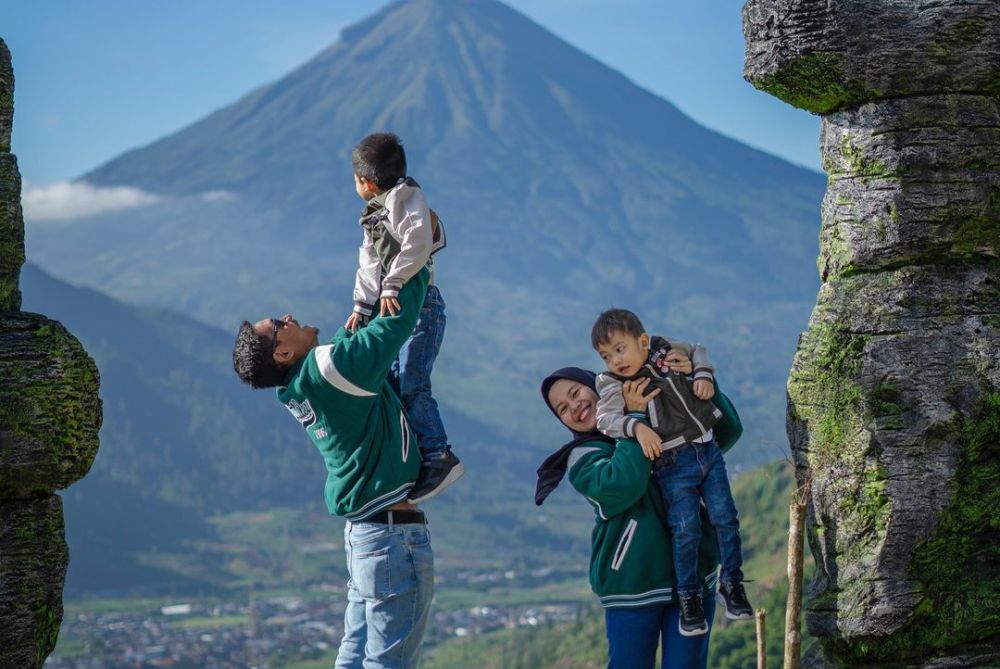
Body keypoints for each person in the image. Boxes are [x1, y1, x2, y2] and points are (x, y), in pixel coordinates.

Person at [232, 268, 434, 669]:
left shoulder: (303, 386)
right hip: (391, 538)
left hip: (365, 537)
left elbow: (347, 344)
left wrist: (364, 303)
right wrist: (417, 261)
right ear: (282, 354)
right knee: (387, 662)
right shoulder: (330, 370)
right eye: (278, 324)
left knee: (356, 655)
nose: (287, 316)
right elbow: (397, 324)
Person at [537, 360, 740, 669]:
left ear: (597, 385)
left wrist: (695, 380)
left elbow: (726, 431)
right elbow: (625, 483)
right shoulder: (583, 458)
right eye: (563, 409)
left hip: (694, 575)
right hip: (632, 586)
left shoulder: (656, 413)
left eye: (576, 392)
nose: (575, 407)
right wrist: (632, 420)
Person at [591, 308, 752, 636]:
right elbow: (605, 420)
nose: (615, 361)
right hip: (672, 463)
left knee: (725, 518)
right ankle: (689, 599)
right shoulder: (611, 383)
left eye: (620, 349)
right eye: (606, 356)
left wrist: (703, 373)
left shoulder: (665, 348)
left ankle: (732, 584)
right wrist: (635, 426)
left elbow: (698, 350)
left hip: (708, 448)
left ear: (643, 341)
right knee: (686, 529)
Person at [345, 131, 462, 503]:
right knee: (394, 382)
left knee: (412, 380)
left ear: (365, 181)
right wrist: (361, 306)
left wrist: (393, 284)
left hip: (420, 304)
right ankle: (411, 456)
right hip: (392, 309)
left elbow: (417, 242)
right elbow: (368, 264)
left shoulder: (407, 198)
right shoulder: (373, 215)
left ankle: (439, 454)